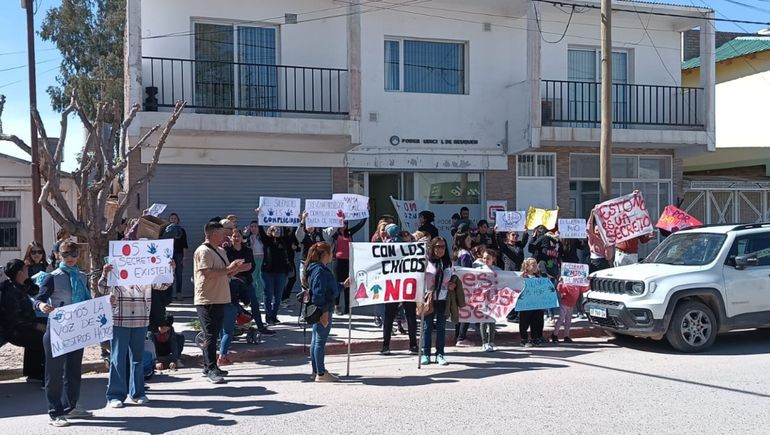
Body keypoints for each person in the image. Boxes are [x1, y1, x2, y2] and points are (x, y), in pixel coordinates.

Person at [97, 260, 174, 408]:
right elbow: (103, 290)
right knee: (117, 358)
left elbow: (162, 285)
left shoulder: (146, 271)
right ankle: (115, 395)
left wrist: (169, 269)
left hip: (140, 319)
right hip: (119, 319)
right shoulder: (116, 267)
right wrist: (105, 273)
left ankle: (137, 393)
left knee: (137, 359)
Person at [35, 240, 93, 427]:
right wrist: (41, 305)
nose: (70, 258)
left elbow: (88, 301)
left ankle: (71, 406)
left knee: (74, 371)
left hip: (77, 329)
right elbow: (38, 299)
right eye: (66, 254)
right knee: (54, 372)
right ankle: (55, 412)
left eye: (74, 255)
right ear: (59, 255)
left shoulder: (83, 277)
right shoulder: (52, 277)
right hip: (57, 330)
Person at [194, 221, 248, 384]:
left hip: (220, 297)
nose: (224, 236)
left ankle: (209, 366)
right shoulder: (203, 251)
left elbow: (224, 273)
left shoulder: (221, 251)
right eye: (221, 233)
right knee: (210, 334)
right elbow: (207, 274)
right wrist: (228, 269)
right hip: (207, 298)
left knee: (214, 333)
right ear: (212, 234)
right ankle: (211, 368)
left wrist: (235, 269)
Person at [1, 259, 45, 382]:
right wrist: (35, 325)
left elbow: (35, 290)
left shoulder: (20, 286)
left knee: (39, 335)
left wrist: (29, 281)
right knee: (42, 339)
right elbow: (13, 319)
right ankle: (42, 374)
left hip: (23, 326)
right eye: (25, 269)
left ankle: (33, 373)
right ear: (20, 272)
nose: (28, 270)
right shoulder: (11, 291)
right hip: (13, 330)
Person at [303, 242, 341, 382]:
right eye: (331, 252)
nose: (332, 255)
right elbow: (319, 294)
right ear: (324, 254)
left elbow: (327, 288)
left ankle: (316, 370)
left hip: (320, 308)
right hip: (323, 309)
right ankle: (321, 372)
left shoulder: (316, 269)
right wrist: (324, 312)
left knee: (316, 339)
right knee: (320, 340)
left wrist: (342, 286)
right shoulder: (319, 270)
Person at [225, 231, 273, 336]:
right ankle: (232, 329)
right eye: (234, 236)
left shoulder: (247, 250)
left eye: (238, 236)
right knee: (233, 306)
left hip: (246, 281)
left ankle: (260, 327)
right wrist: (238, 269)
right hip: (232, 283)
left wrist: (236, 269)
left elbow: (251, 266)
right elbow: (227, 269)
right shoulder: (227, 251)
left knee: (254, 304)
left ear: (242, 238)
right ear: (231, 238)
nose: (236, 238)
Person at [380, 224, 418, 356]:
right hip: (407, 284)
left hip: (392, 285)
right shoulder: (409, 246)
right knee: (410, 315)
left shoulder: (384, 246)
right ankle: (413, 344)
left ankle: (386, 346)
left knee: (389, 316)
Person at [421, 237, 454, 366]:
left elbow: (452, 277)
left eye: (443, 247)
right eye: (437, 246)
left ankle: (440, 354)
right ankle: (426, 354)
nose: (440, 249)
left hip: (443, 299)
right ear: (432, 247)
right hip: (428, 298)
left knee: (441, 328)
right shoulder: (426, 262)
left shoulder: (448, 263)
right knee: (427, 327)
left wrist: (452, 284)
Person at [330, 218, 367, 315]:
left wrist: (366, 212)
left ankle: (347, 307)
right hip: (337, 261)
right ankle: (336, 306)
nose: (344, 225)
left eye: (346, 223)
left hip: (349, 261)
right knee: (337, 283)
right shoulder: (335, 234)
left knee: (348, 284)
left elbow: (360, 224)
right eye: (342, 223)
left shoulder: (349, 232)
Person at [260, 225, 291, 324]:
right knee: (268, 295)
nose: (276, 231)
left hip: (281, 272)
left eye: (278, 229)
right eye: (274, 229)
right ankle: (268, 316)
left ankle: (274, 315)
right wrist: (259, 217)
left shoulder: (284, 241)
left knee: (278, 296)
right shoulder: (267, 240)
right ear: (270, 231)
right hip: (268, 272)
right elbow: (261, 232)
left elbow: (291, 232)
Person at [476, 249, 501, 352]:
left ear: (493, 259)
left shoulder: (498, 270)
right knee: (483, 320)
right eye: (484, 258)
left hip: (493, 298)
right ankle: (484, 342)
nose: (486, 260)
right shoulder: (478, 269)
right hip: (482, 298)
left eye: (488, 258)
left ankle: (491, 341)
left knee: (492, 320)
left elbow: (506, 279)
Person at [452, 231, 474, 346]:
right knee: (466, 312)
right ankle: (461, 337)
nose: (471, 242)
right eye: (468, 240)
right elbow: (466, 272)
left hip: (458, 287)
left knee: (459, 313)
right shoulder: (465, 254)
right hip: (465, 288)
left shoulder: (457, 253)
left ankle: (458, 336)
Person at [518, 257, 545, 347]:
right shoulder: (523, 276)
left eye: (536, 264)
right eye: (533, 265)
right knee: (524, 322)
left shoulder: (538, 277)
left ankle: (535, 338)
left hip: (536, 303)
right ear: (527, 266)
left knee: (535, 322)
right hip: (525, 304)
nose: (535, 266)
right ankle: (524, 339)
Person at [551, 278, 587, 343]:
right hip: (564, 304)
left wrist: (587, 281)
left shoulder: (578, 285)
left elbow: (584, 289)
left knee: (568, 321)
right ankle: (555, 335)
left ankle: (566, 336)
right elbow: (560, 289)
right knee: (561, 319)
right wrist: (561, 282)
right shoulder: (567, 285)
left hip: (571, 305)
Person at [167, 213, 188, 301]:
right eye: (171, 218)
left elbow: (184, 244)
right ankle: (168, 294)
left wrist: (185, 256)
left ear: (178, 220)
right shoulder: (167, 230)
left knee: (179, 274)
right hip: (168, 255)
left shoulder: (181, 230)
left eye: (175, 218)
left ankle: (178, 293)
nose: (173, 220)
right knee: (169, 274)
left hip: (179, 254)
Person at [244, 221, 266, 304]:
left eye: (255, 226)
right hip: (253, 259)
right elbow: (248, 249)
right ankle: (252, 297)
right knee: (252, 278)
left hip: (262, 259)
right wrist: (249, 239)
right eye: (252, 226)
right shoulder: (248, 238)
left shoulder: (262, 237)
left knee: (260, 279)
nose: (253, 228)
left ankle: (259, 296)